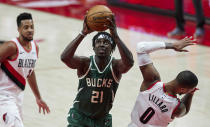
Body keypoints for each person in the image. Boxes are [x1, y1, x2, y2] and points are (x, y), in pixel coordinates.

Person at [61, 15, 134, 127]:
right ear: (94, 47)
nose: (102, 44)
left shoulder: (115, 66)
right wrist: (82, 33)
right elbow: (65, 58)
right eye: (98, 42)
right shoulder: (85, 63)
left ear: (112, 48)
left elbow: (129, 63)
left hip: (102, 120)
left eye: (106, 42)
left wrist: (116, 36)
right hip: (80, 117)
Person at [128, 37, 199, 127]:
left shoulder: (152, 82)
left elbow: (141, 47)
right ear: (182, 89)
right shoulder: (177, 108)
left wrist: (172, 45)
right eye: (187, 91)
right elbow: (185, 110)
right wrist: (191, 94)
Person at [0, 12, 50, 127]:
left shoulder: (35, 47)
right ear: (19, 29)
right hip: (3, 96)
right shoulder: (11, 46)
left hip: (18, 96)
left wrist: (38, 97)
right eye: (26, 27)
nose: (30, 30)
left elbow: (30, 73)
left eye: (32, 27)